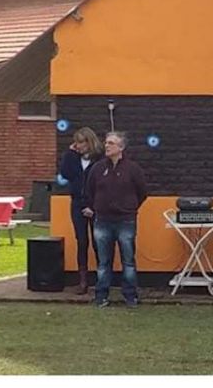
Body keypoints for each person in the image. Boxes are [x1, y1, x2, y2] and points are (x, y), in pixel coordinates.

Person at [83, 131, 148, 308]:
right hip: (102, 220)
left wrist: (130, 208)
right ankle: (101, 296)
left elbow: (142, 192)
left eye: (111, 143)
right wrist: (94, 207)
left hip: (125, 220)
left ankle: (130, 296)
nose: (107, 145)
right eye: (106, 142)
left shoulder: (133, 169)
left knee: (128, 260)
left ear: (121, 147)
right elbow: (89, 190)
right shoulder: (97, 168)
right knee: (103, 262)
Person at [58, 127, 103, 293]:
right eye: (76, 142)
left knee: (99, 241)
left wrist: (92, 205)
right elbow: (65, 173)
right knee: (82, 241)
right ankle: (83, 280)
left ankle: (102, 279)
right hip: (77, 203)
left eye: (81, 142)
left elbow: (102, 184)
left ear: (89, 142)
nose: (78, 146)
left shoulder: (100, 159)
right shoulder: (74, 158)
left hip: (96, 204)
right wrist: (69, 154)